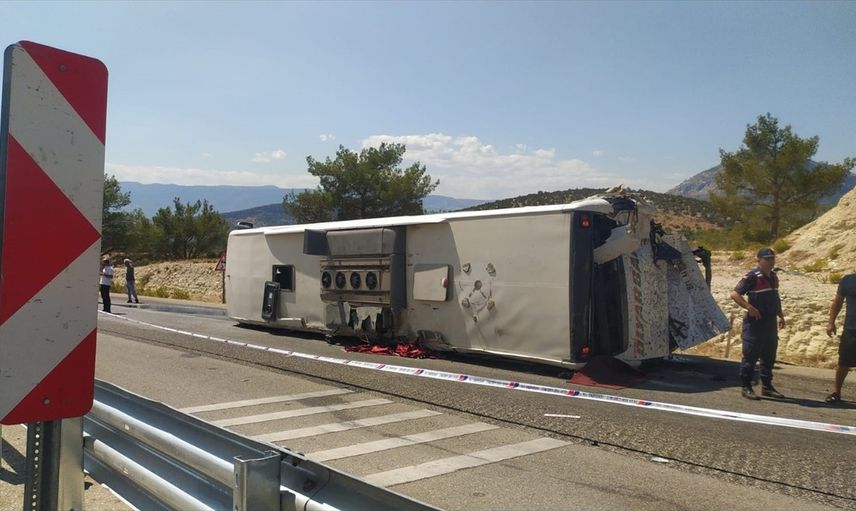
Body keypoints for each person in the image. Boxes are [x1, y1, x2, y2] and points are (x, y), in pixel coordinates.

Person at [730, 247, 786, 400]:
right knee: (751, 356)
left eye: (772, 258)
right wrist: (749, 307)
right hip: (755, 323)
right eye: (767, 259)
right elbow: (735, 294)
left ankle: (767, 387)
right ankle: (746, 387)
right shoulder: (752, 277)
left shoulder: (773, 276)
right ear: (759, 260)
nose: (770, 261)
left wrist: (780, 315)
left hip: (770, 323)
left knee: (769, 356)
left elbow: (775, 297)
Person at [825, 272, 856, 403]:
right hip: (851, 329)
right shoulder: (848, 280)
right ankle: (836, 393)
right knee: (843, 363)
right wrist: (831, 322)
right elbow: (837, 302)